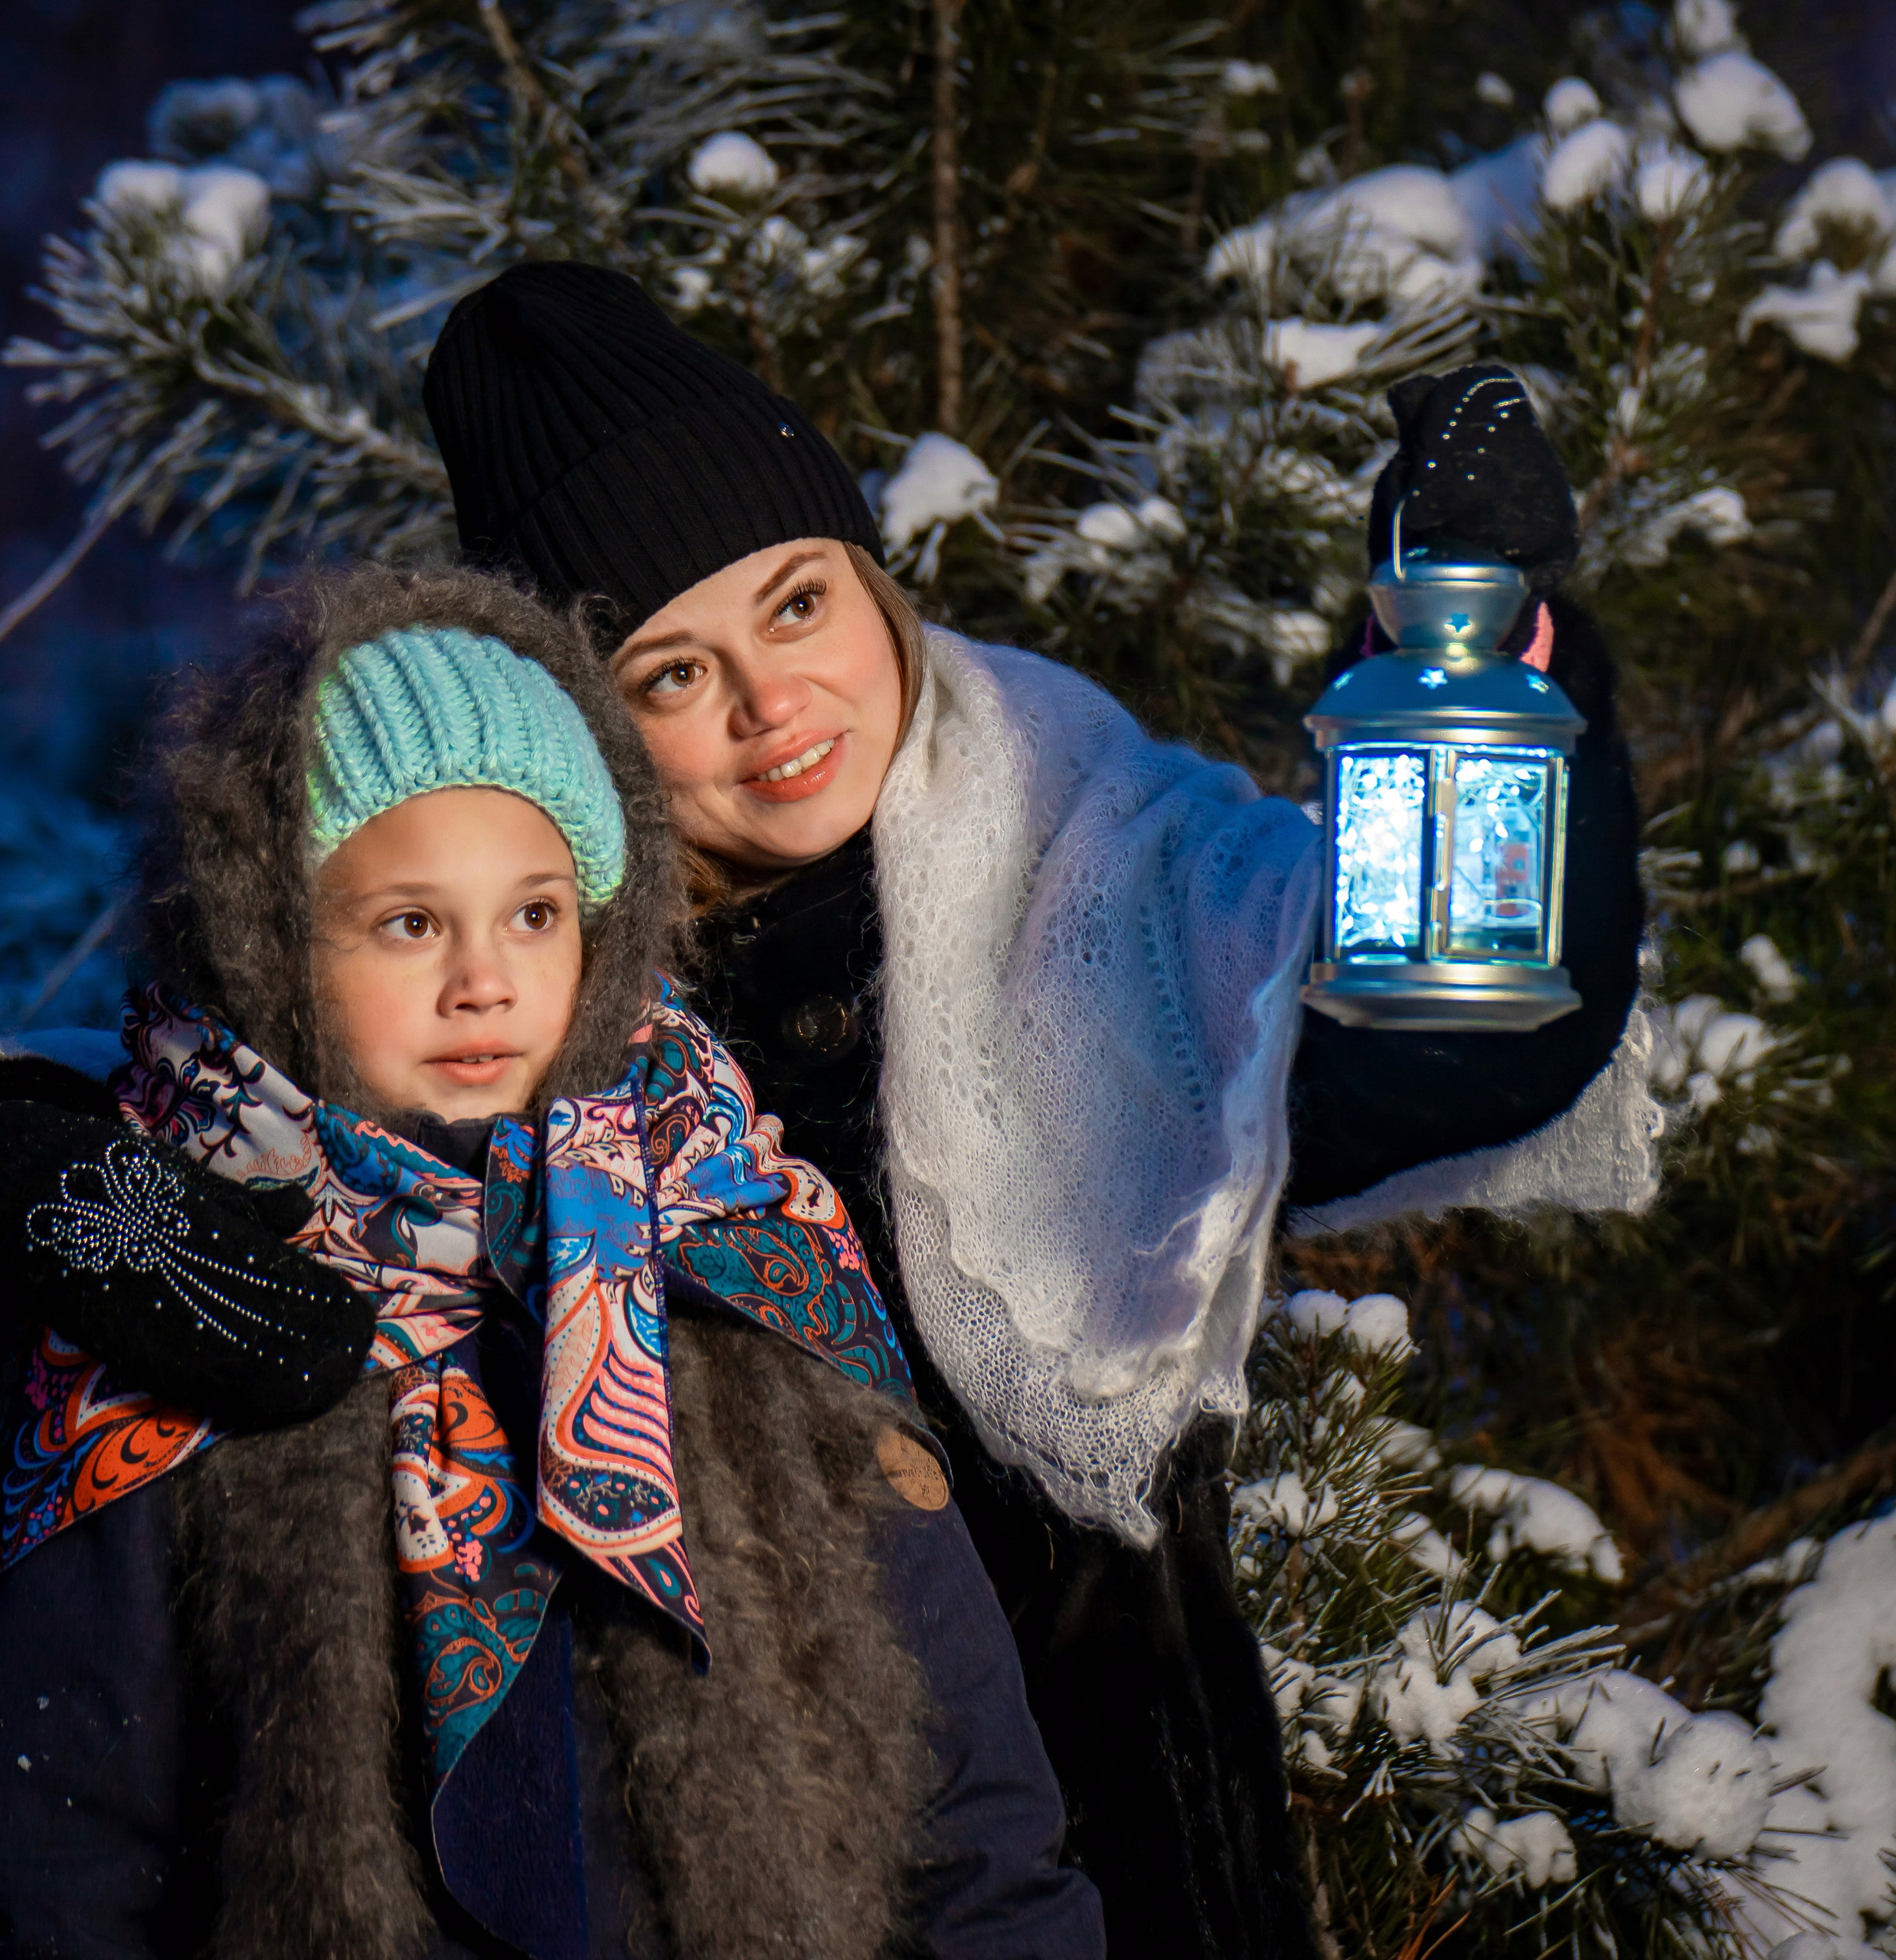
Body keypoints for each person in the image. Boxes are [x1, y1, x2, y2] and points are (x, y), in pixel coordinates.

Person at [406, 264, 1654, 1959]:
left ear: (869, 575)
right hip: (731, 1868)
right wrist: (64, 1153)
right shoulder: (519, 984)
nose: (772, 705)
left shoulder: (1105, 861)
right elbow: (225, 1059)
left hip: (1132, 1841)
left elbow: (1450, 1030)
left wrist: (1466, 647)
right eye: (671, 673)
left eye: (792, 606)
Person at [0, 564, 1105, 1960]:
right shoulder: (161, 1291)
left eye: (535, 911)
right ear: (271, 938)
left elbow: (978, 1821)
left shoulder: (738, 1249)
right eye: (409, 923)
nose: (487, 980)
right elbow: (68, 1865)